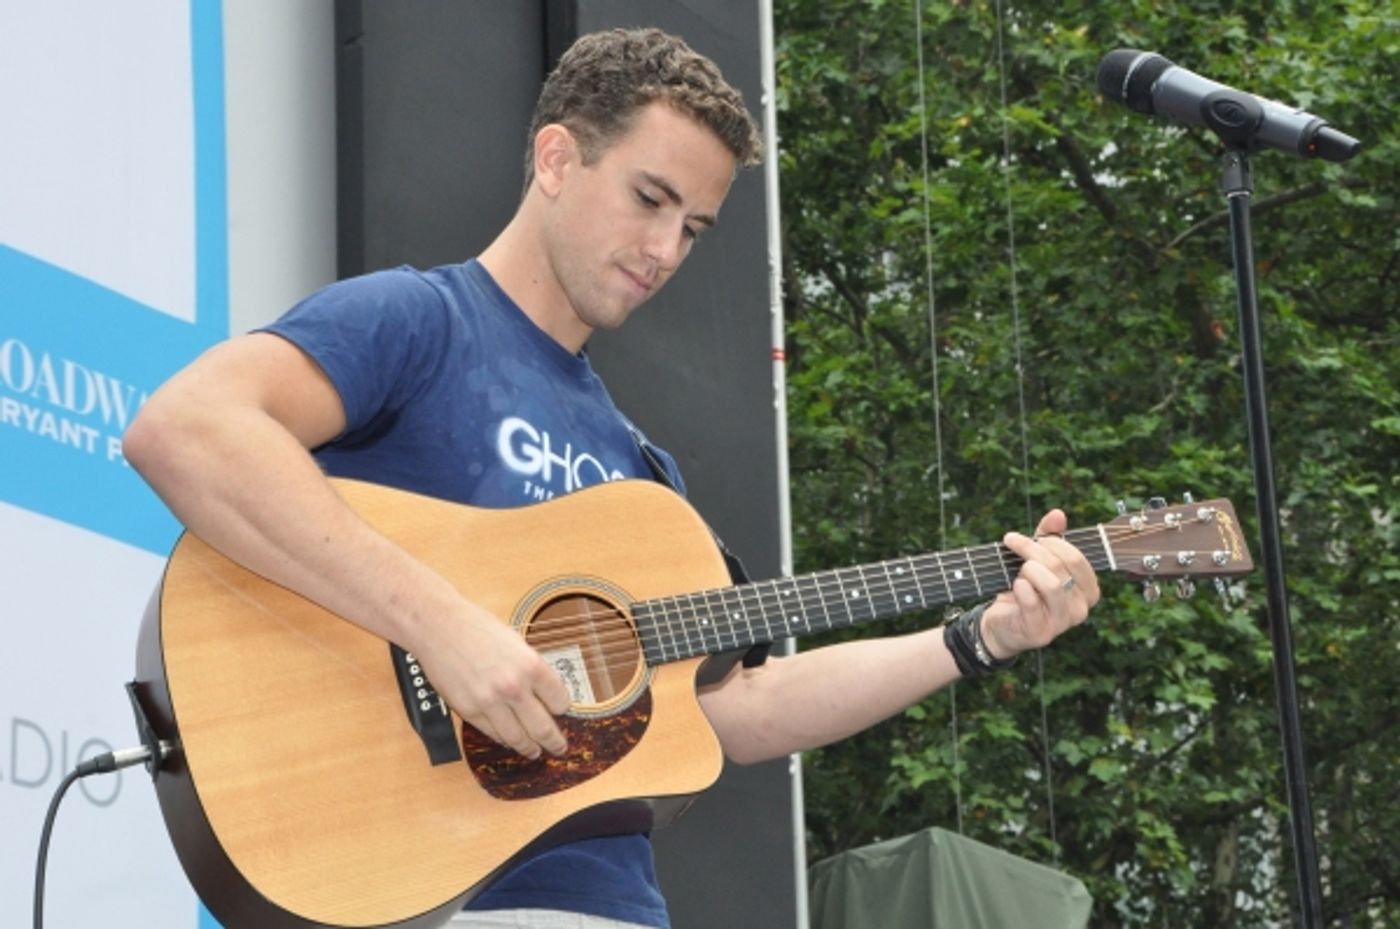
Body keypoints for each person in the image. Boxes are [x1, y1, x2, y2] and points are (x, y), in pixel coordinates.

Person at [123, 27, 1099, 929]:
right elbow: (184, 428)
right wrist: (443, 625)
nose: (665, 250)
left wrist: (974, 637)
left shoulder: (644, 477)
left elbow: (735, 711)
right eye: (649, 199)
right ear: (556, 157)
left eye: (695, 226)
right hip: (445, 889)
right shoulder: (418, 320)